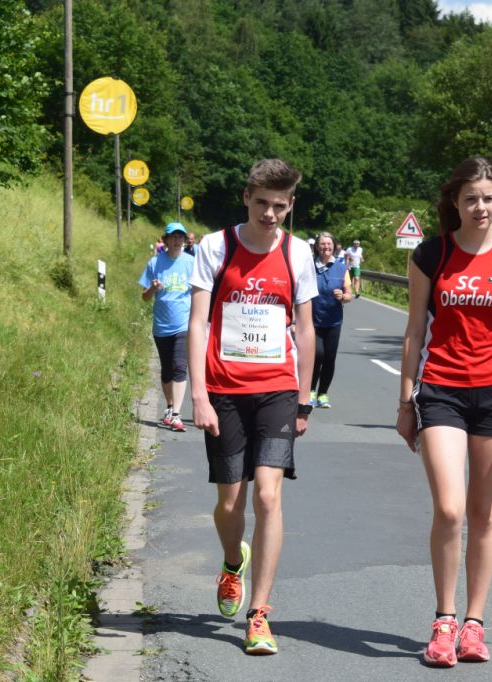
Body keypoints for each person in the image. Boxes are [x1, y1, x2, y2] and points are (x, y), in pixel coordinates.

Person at [396, 158, 492, 667]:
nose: (481, 207)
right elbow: (415, 331)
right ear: (454, 202)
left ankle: (474, 625)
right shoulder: (430, 255)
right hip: (441, 392)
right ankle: (444, 620)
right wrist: (405, 399)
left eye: (489, 198)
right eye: (471, 198)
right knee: (451, 509)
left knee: (484, 514)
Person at [187, 159, 318, 655]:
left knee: (267, 496)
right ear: (246, 197)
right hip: (222, 389)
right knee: (229, 503)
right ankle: (231, 562)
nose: (269, 214)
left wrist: (304, 399)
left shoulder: (298, 253)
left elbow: (304, 331)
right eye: (261, 203)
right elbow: (197, 324)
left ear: (290, 205)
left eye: (279, 206)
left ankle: (260, 615)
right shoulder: (215, 247)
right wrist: (197, 394)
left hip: (277, 389)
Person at [139, 222, 195, 432]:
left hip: (184, 324)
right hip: (162, 325)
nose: (177, 240)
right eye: (173, 236)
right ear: (166, 240)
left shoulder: (191, 262)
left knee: (180, 366)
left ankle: (177, 414)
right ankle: (170, 407)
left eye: (181, 237)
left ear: (184, 240)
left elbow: (200, 292)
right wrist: (152, 288)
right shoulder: (155, 263)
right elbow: (144, 298)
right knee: (167, 370)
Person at [309, 232, 351, 408]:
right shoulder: (309, 266)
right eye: (323, 244)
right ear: (317, 247)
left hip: (333, 320)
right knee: (317, 354)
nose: (326, 247)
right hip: (312, 320)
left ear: (334, 246)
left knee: (329, 358)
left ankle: (323, 394)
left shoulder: (342, 268)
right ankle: (310, 391)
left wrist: (343, 296)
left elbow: (349, 295)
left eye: (329, 244)